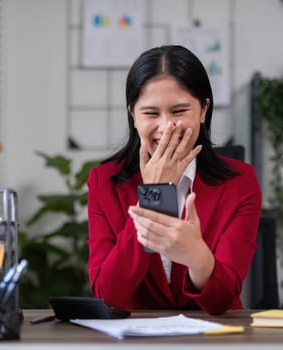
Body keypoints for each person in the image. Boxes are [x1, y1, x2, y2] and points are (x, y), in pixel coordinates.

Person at [86, 45, 262, 314]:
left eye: (179, 111)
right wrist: (153, 195)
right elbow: (108, 296)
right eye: (151, 113)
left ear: (204, 110)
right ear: (132, 114)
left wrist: (198, 257)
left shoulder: (241, 182)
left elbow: (222, 301)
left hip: (214, 335)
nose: (167, 127)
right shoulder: (104, 182)